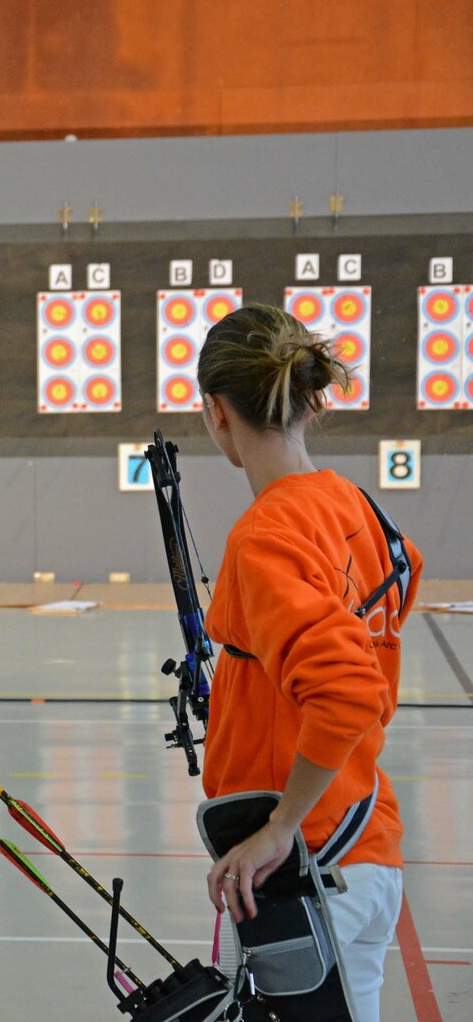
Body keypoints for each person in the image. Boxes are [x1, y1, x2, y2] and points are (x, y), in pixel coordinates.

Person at [197, 304, 422, 1022]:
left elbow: (349, 690)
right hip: (363, 841)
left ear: (216, 412)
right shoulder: (359, 511)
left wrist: (280, 826)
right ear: (310, 399)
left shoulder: (266, 534)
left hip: (311, 863)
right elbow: (399, 588)